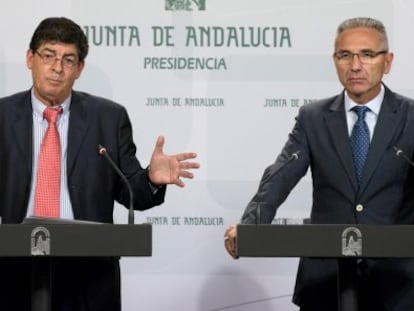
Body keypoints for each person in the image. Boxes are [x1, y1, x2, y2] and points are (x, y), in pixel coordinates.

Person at [0, 17, 199, 310]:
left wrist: (151, 179)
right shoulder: (3, 116)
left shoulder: (108, 118)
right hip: (14, 271)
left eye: (68, 59)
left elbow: (132, 191)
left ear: (79, 69)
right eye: (48, 56)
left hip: (88, 275)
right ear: (30, 58)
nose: (57, 67)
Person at [224, 17, 414, 311]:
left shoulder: (411, 117)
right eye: (345, 55)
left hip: (398, 284)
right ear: (334, 60)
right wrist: (251, 227)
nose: (355, 65)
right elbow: (280, 175)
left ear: (387, 61)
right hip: (326, 280)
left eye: (367, 54)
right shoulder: (313, 117)